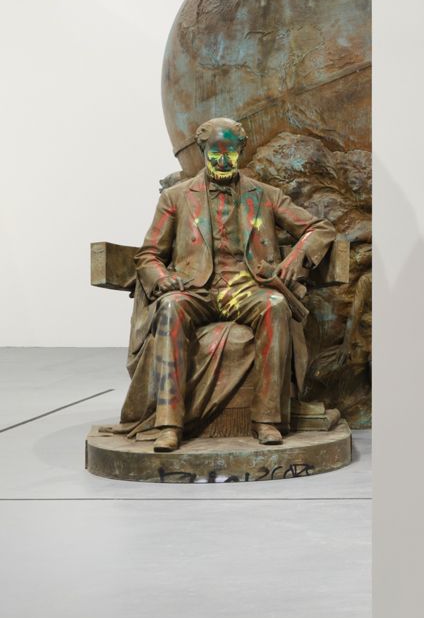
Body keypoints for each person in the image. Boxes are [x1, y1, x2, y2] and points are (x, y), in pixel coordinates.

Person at [128, 116, 335, 450]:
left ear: (242, 150)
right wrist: (163, 278)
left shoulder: (264, 194)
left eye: (230, 152)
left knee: (275, 305)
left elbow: (319, 229)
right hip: (196, 289)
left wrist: (294, 259)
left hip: (246, 288)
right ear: (201, 149)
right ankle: (169, 424)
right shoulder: (176, 197)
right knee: (170, 308)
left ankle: (267, 419)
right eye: (215, 152)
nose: (223, 160)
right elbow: (148, 255)